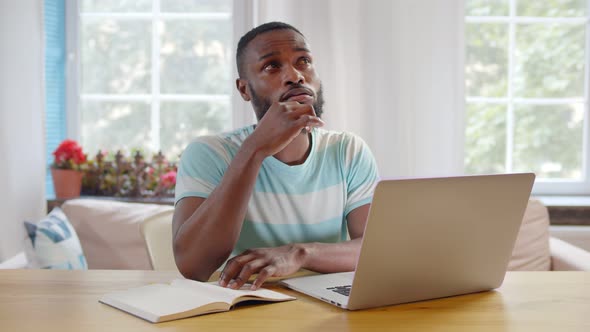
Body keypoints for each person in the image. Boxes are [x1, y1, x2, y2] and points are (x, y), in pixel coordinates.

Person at [172, 21, 379, 290]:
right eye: (272, 66)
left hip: (326, 307)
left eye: (303, 60)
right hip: (242, 305)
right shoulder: (210, 153)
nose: (295, 75)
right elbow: (193, 266)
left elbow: (373, 250)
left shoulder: (348, 151)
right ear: (244, 89)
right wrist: (253, 150)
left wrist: (298, 253)